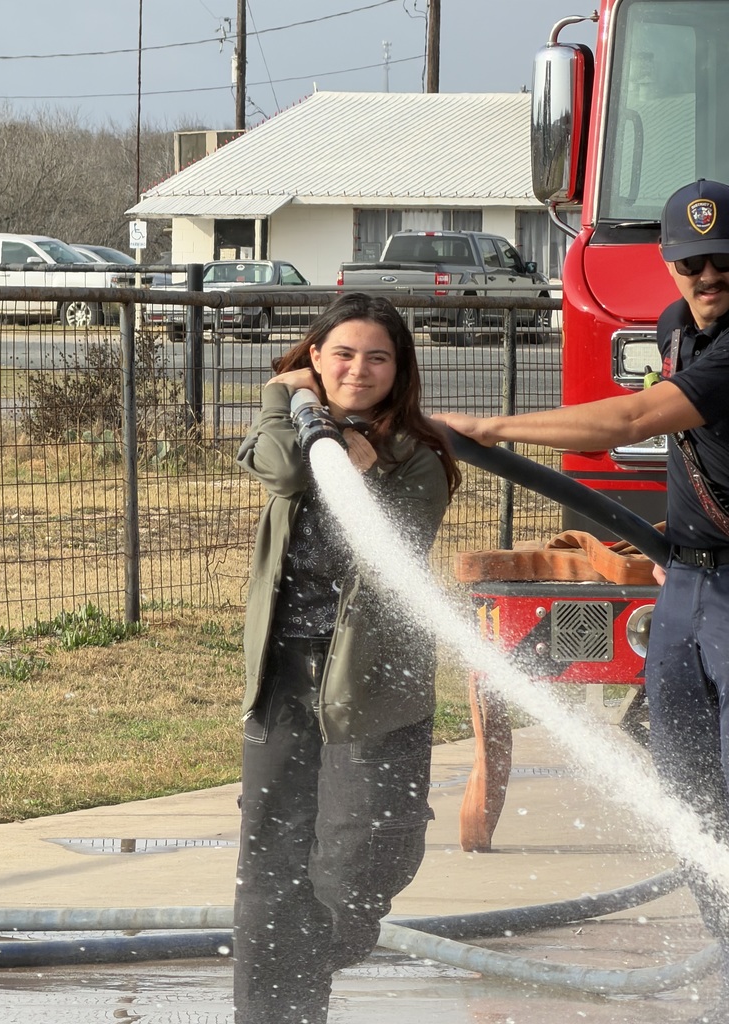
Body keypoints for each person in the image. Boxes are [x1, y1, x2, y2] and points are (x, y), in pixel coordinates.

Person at [435, 178, 729, 1024]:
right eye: (690, 263)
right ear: (670, 266)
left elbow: (635, 417)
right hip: (685, 586)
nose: (708, 277)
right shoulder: (677, 331)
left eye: (723, 261)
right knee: (684, 788)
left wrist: (491, 430)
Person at [233, 292, 460, 1024]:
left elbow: (397, 549)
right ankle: (273, 1012)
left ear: (400, 371)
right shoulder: (295, 436)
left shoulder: (419, 458)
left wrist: (373, 474)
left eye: (377, 357)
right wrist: (282, 397)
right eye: (342, 354)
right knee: (273, 855)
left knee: (368, 852)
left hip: (369, 683)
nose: (358, 369)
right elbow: (285, 472)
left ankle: (325, 949)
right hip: (285, 674)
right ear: (316, 361)